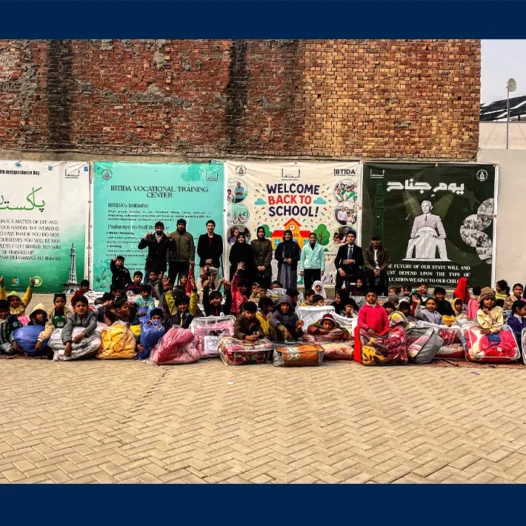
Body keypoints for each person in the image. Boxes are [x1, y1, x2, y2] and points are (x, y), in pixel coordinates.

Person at [167, 219, 195, 287]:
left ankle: (182, 293)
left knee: (183, 281)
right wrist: (168, 258)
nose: (181, 226)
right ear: (177, 225)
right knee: (170, 281)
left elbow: (192, 249)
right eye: (179, 224)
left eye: (182, 225)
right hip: (173, 261)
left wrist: (191, 259)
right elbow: (168, 248)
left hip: (184, 262)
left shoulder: (189, 236)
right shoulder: (172, 235)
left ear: (185, 226)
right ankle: (169, 293)